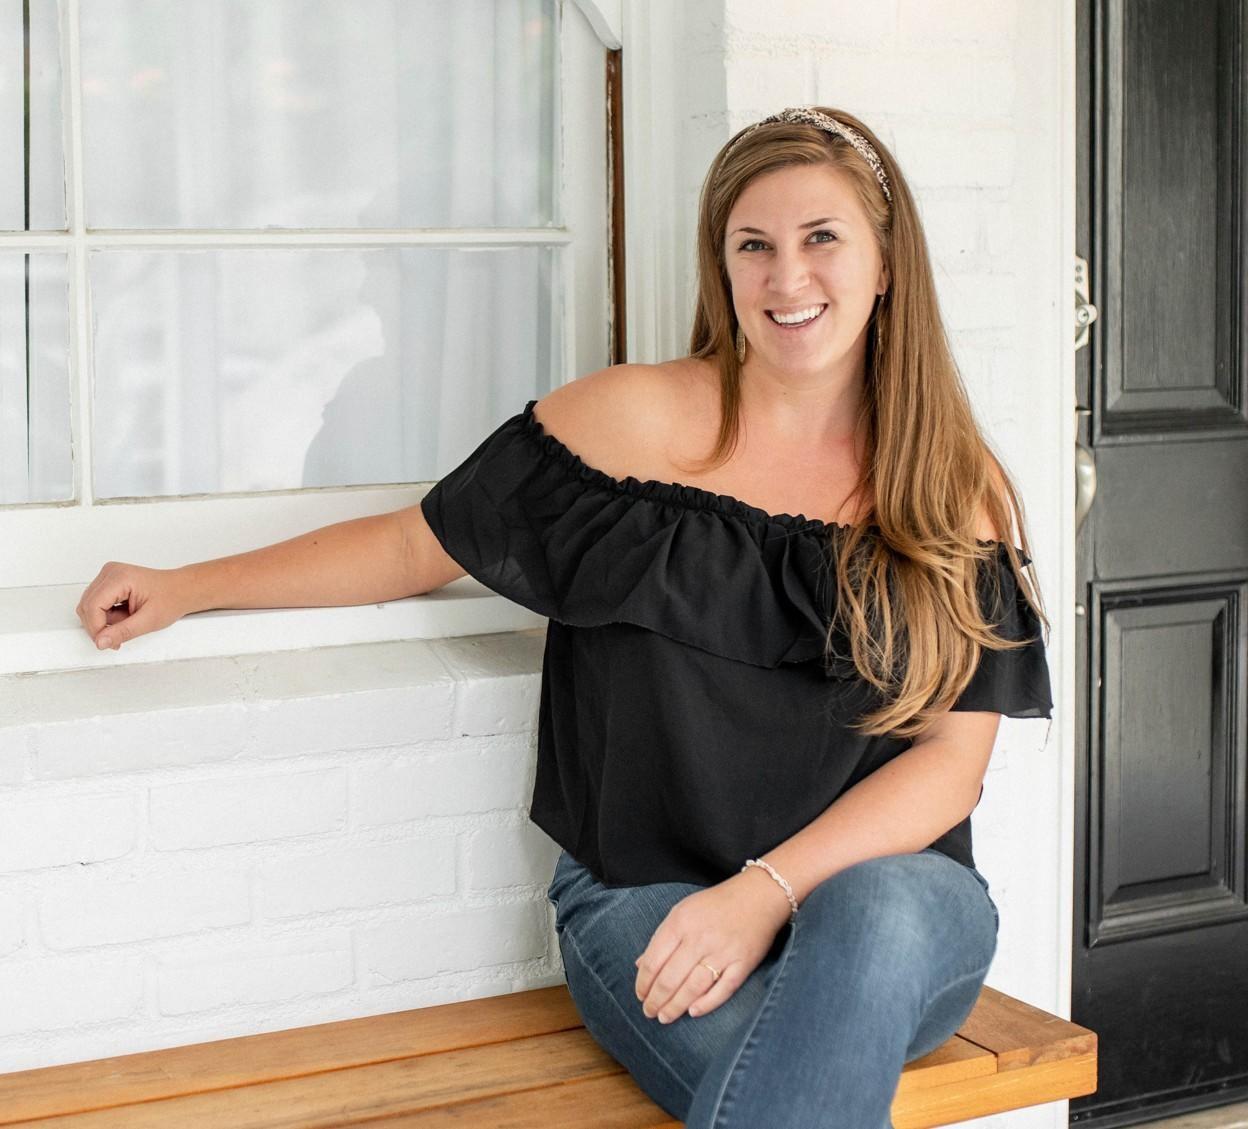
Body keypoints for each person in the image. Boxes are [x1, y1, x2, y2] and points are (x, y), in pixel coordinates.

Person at [76, 106, 1053, 1127]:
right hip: (645, 894)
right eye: (753, 245)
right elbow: (414, 545)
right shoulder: (627, 424)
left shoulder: (953, 485)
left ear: (886, 263)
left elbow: (951, 764)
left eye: (822, 238)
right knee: (786, 1089)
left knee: (869, 919)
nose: (786, 276)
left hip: (896, 906)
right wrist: (189, 584)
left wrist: (764, 891)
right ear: (721, 267)